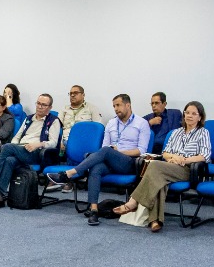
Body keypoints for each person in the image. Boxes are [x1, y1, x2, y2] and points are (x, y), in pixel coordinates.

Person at [113, 101, 210, 232]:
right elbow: (165, 152)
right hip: (169, 167)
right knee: (159, 181)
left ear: (200, 117)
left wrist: (184, 160)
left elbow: (204, 155)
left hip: (187, 169)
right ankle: (155, 221)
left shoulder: (203, 132)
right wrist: (173, 158)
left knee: (154, 166)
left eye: (194, 114)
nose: (190, 116)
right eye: (187, 113)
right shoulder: (176, 132)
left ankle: (134, 201)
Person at [55, 94, 152, 225]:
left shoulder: (141, 123)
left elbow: (141, 150)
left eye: (118, 105)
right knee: (97, 167)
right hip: (110, 160)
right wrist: (111, 152)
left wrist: (118, 152)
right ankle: (94, 210)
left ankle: (71, 173)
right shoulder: (111, 123)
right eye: (114, 106)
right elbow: (104, 146)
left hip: (130, 162)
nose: (116, 109)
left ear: (128, 105)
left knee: (106, 151)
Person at [0, 94, 61, 209]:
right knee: (10, 159)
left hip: (37, 152)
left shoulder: (53, 121)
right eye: (38, 103)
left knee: (7, 147)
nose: (40, 107)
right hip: (21, 149)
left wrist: (39, 144)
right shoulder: (29, 118)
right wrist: (16, 147)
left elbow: (53, 143)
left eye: (44, 105)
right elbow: (17, 137)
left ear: (50, 107)